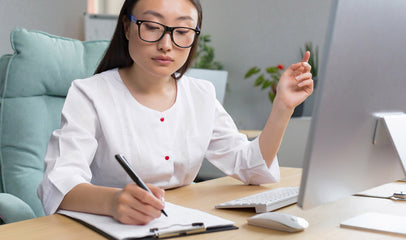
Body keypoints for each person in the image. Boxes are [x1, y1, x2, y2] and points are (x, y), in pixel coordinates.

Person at [38, 0, 313, 225]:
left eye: (182, 31)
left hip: (182, 224)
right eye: (152, 27)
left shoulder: (200, 94)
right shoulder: (90, 94)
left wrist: (283, 107)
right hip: (110, 229)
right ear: (126, 26)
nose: (166, 44)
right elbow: (58, 184)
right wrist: (113, 202)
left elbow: (251, 169)